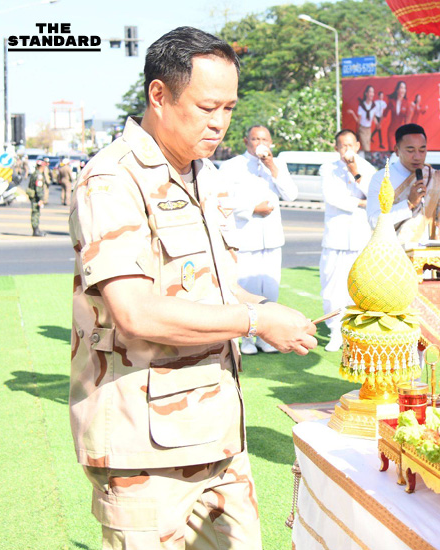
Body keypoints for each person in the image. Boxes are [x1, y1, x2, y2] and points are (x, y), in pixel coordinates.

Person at [69, 27, 317, 549]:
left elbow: (208, 289)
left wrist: (266, 310)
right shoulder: (114, 179)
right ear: (159, 96)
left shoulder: (200, 175)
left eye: (229, 107)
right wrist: (254, 322)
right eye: (207, 107)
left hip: (217, 433)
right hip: (145, 450)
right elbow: (136, 312)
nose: (220, 122)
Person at [220, 125, 298, 354]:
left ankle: (265, 338)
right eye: (255, 139)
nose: (259, 142)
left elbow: (291, 195)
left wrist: (272, 166)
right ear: (247, 142)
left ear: (271, 142)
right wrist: (252, 208)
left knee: (270, 290)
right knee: (247, 289)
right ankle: (245, 339)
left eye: (264, 138)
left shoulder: (278, 165)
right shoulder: (231, 166)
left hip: (272, 239)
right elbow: (222, 201)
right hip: (246, 237)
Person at [319, 130, 376, 351]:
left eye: (350, 145)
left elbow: (373, 195)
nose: (347, 150)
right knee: (332, 288)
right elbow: (332, 198)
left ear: (358, 146)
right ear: (336, 148)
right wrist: (359, 203)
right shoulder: (328, 169)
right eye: (343, 146)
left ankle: (357, 331)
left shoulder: (368, 169)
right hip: (336, 237)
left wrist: (355, 171)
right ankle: (335, 331)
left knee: (360, 287)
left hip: (361, 237)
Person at [367, 123, 440, 244]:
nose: (417, 156)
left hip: (427, 255)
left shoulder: (434, 177)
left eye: (422, 150)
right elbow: (374, 221)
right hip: (392, 253)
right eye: (410, 150)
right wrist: (409, 204)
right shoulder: (382, 179)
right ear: (397, 150)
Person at [347, 85, 376, 152]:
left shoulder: (373, 106)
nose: (372, 94)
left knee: (367, 146)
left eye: (373, 92)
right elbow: (358, 120)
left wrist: (378, 123)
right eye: (370, 92)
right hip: (362, 129)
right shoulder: (362, 106)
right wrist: (353, 113)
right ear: (366, 94)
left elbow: (373, 117)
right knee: (366, 147)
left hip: (369, 129)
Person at [386, 81, 409, 150]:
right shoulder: (392, 101)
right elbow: (384, 114)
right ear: (397, 90)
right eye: (401, 88)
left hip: (401, 132)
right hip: (391, 131)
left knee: (401, 152)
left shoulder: (406, 103)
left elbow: (407, 120)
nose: (403, 90)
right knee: (392, 151)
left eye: (404, 88)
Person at [28, 161, 47, 237]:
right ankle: (35, 231)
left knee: (35, 212)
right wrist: (41, 198)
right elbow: (38, 188)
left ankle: (36, 229)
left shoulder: (34, 173)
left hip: (33, 196)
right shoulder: (39, 175)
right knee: (36, 213)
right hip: (36, 197)